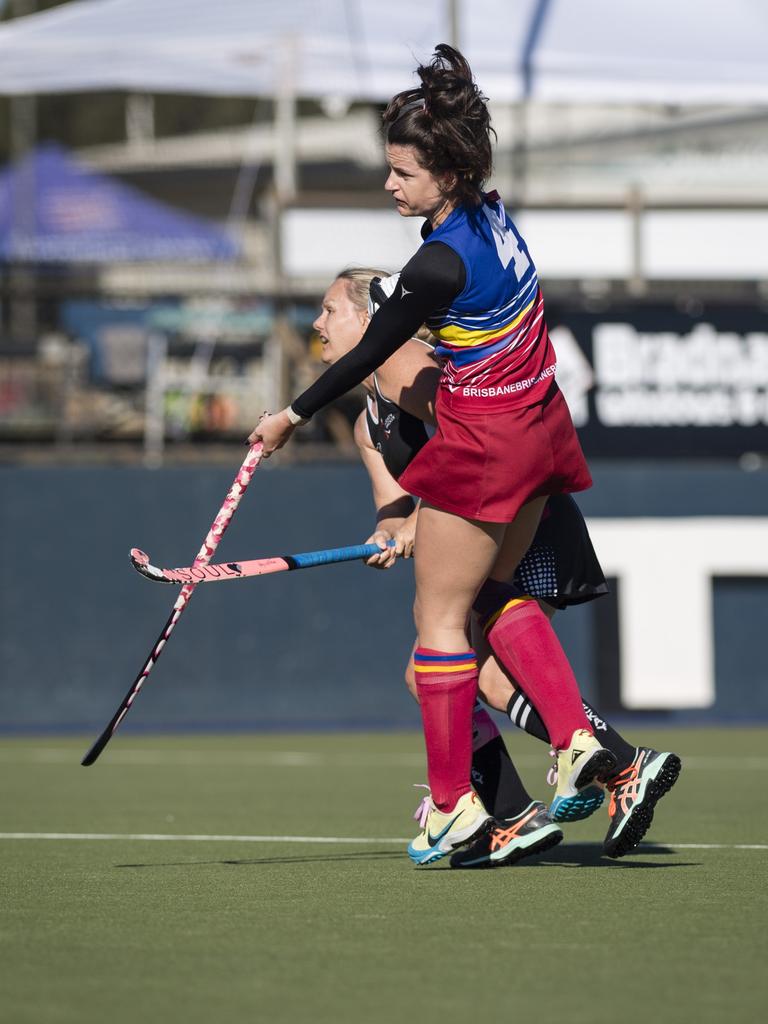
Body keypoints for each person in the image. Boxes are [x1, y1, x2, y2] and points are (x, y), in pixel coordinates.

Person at [251, 44, 633, 866]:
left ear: (447, 168)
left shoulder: (435, 263)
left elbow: (364, 356)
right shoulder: (492, 214)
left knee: (438, 621)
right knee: (493, 596)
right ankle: (574, 742)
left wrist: (288, 413)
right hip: (542, 429)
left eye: (402, 172)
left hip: (488, 442)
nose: (390, 185)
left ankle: (455, 808)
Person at [311, 266, 681, 867]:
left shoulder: (408, 363)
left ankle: (563, 789)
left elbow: (480, 445)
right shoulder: (366, 422)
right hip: (472, 517)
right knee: (442, 674)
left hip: (517, 511)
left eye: (330, 310)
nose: (317, 324)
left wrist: (422, 519)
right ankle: (547, 797)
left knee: (461, 666)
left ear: (370, 318)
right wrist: (391, 529)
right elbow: (393, 505)